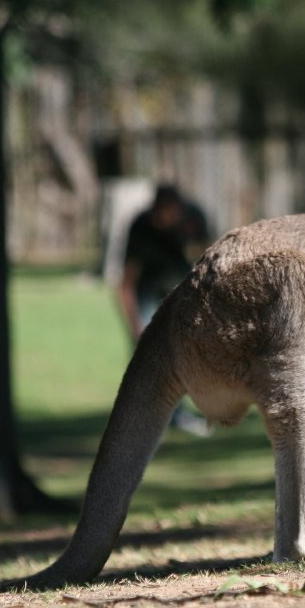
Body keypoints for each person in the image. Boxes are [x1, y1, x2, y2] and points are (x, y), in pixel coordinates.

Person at [118, 185, 211, 436]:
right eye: (162, 216)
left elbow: (211, 260)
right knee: (151, 357)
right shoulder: (140, 228)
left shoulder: (193, 219)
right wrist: (134, 325)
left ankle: (185, 413)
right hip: (148, 289)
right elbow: (126, 282)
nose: (167, 221)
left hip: (182, 289)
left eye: (172, 215)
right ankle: (155, 415)